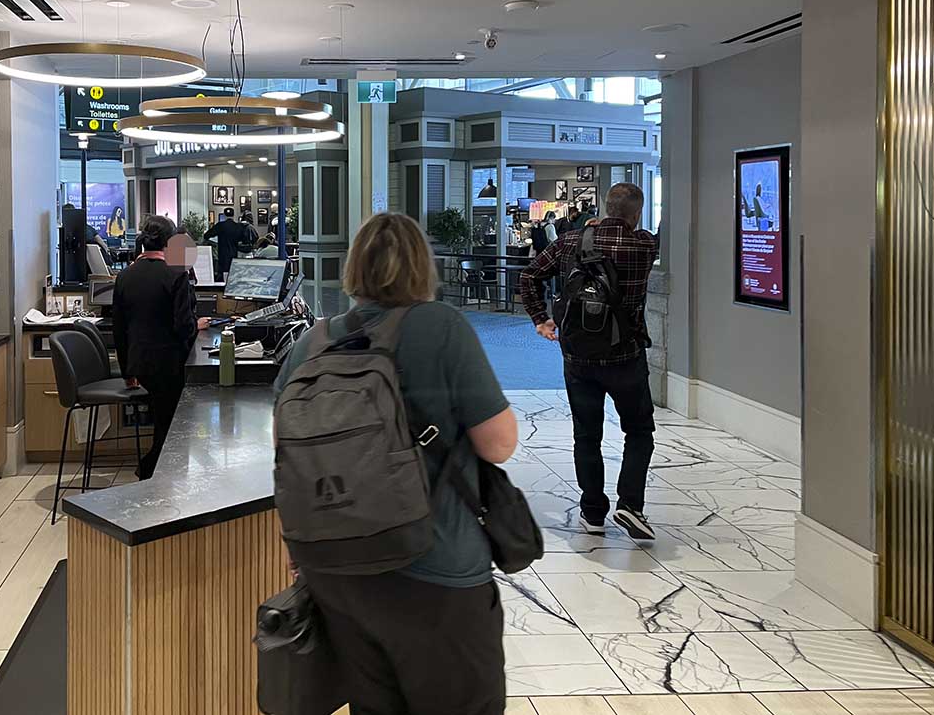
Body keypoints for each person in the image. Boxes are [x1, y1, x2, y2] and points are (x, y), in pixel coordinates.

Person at [275, 212, 518, 715]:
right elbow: (499, 444)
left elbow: (285, 452)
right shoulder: (441, 326)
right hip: (435, 568)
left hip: (336, 573)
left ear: (353, 267)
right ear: (422, 266)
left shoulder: (311, 344)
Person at [519, 182, 660, 541]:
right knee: (639, 431)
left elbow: (529, 275)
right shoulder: (643, 245)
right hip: (626, 356)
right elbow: (650, 236)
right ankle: (630, 504)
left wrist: (540, 319)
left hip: (578, 356)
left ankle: (592, 512)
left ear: (605, 207)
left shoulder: (570, 242)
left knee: (586, 435)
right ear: (637, 213)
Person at [112, 216, 200, 479]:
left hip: (140, 364)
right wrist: (197, 325)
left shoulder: (124, 276)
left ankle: (156, 471)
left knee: (164, 419)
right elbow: (183, 327)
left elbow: (119, 329)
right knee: (174, 421)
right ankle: (153, 472)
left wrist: (127, 372)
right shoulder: (176, 274)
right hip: (169, 364)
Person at [203, 207, 254, 278]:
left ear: (224, 215)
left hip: (222, 255)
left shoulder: (220, 225)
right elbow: (245, 240)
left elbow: (206, 235)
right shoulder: (238, 227)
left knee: (222, 276)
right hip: (234, 255)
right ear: (233, 215)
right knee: (232, 276)